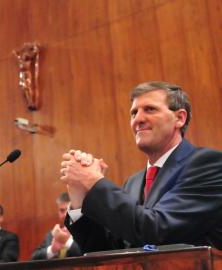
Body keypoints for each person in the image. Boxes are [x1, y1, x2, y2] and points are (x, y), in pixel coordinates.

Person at [60, 81, 222, 253]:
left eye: (150, 109)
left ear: (180, 118)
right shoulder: (133, 182)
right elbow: (108, 250)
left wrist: (92, 181)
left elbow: (157, 231)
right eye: (134, 113)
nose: (138, 119)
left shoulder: (209, 164)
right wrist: (79, 197)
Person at [31, 192, 82, 260]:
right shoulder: (53, 233)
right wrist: (52, 250)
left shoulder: (84, 231)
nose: (65, 214)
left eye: (68, 210)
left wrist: (66, 242)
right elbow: (33, 258)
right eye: (62, 210)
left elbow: (88, 254)